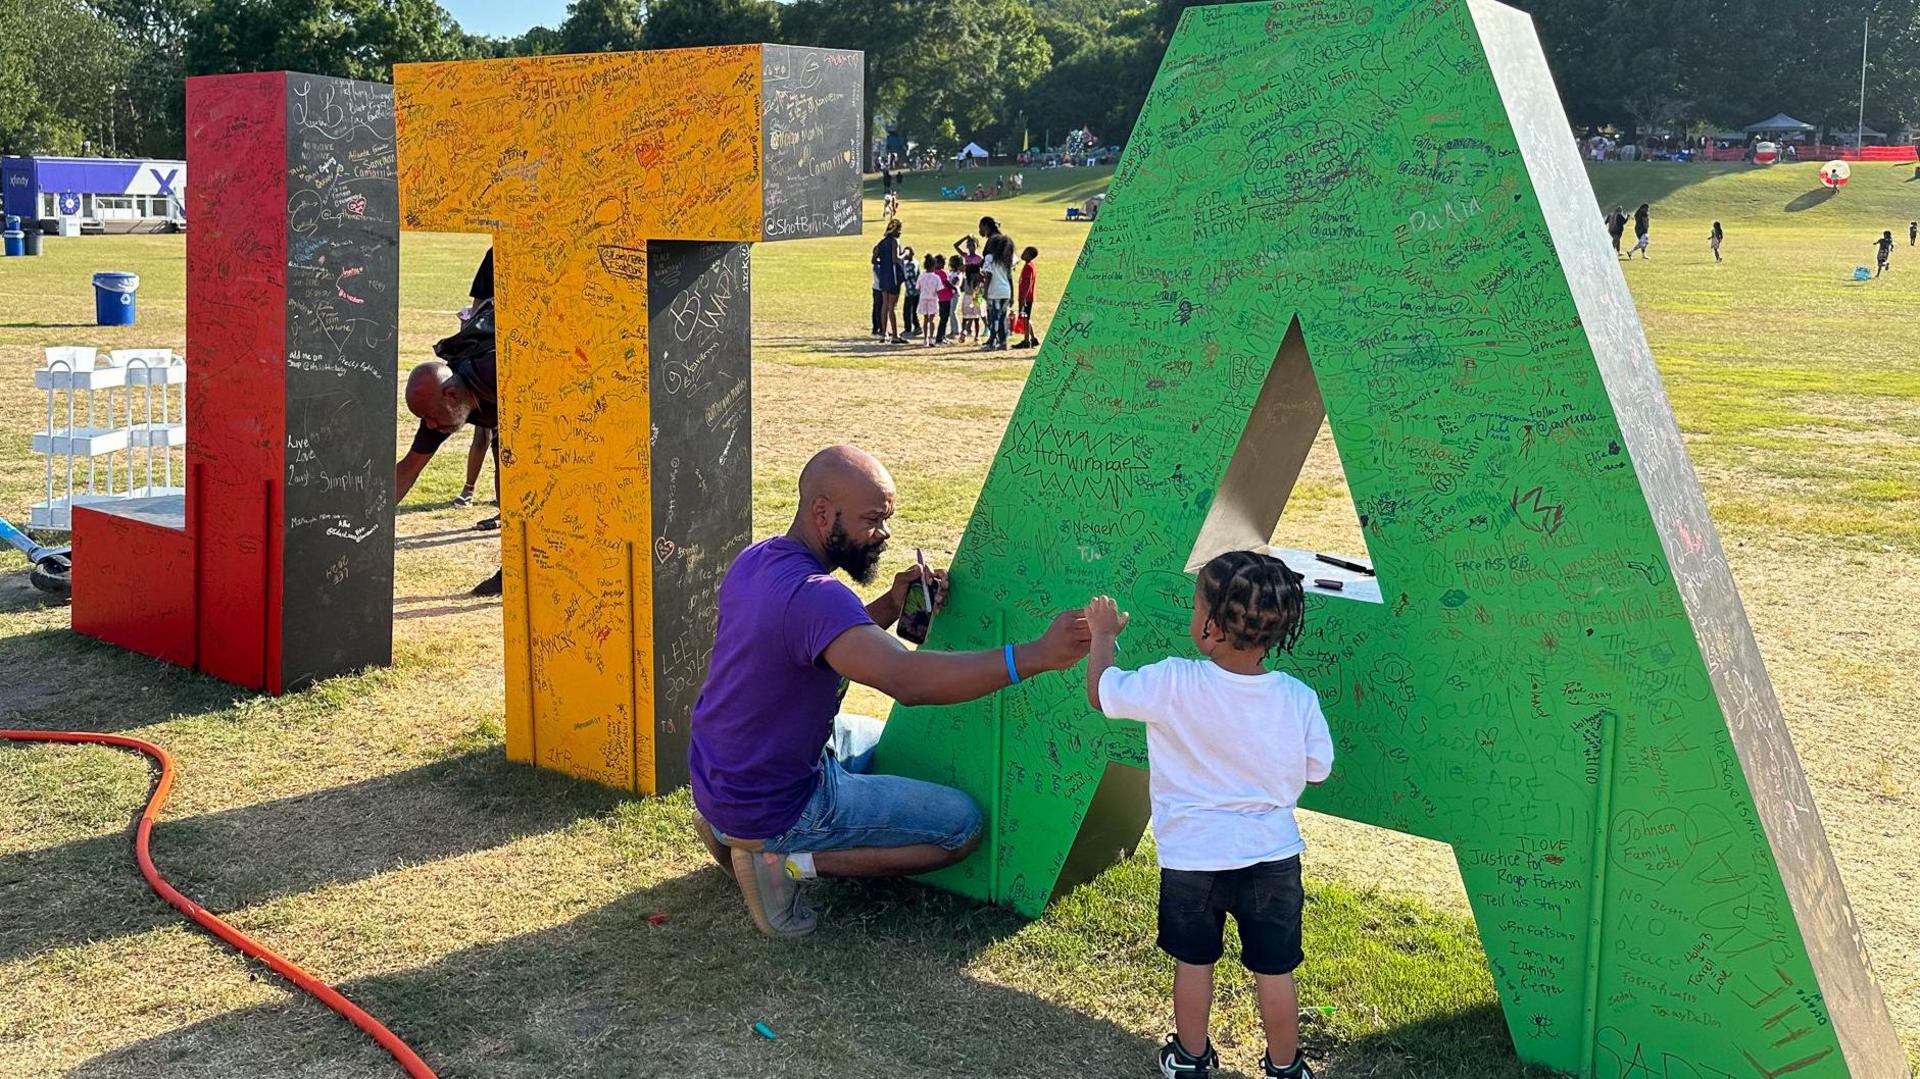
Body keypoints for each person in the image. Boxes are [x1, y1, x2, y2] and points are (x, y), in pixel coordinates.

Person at [688, 445, 1092, 937]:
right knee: (960, 828)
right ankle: (788, 861)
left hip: (721, 778)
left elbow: (823, 641)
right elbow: (908, 681)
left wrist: (893, 604)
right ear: (822, 512)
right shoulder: (819, 598)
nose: (883, 535)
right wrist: (1036, 656)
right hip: (779, 800)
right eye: (872, 520)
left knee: (888, 742)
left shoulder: (758, 561)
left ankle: (727, 832)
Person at [1085, 551, 1331, 1079]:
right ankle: (1287, 1067)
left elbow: (1102, 694)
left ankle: (1192, 1059)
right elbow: (1317, 770)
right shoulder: (1297, 697)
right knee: (1275, 969)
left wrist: (1103, 635)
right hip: (1273, 858)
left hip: (1192, 857)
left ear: (1211, 627)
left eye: (1196, 605)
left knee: (1194, 963)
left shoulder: (1173, 681)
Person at [395, 249, 504, 596]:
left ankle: (517, 568)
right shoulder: (442, 408)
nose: (429, 424)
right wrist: (364, 521)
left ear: (452, 394)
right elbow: (408, 469)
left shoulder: (496, 371)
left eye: (429, 416)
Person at [456, 248, 498, 509]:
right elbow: (477, 308)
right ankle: (469, 488)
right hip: (490, 360)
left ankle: (502, 498)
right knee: (484, 434)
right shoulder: (494, 255)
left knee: (498, 438)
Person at [979, 216, 1015, 351]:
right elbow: (1010, 276)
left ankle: (992, 342)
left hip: (994, 291)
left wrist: (986, 293)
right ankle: (1003, 342)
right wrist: (1012, 294)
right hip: (1006, 291)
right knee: (1002, 317)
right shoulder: (1005, 260)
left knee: (993, 317)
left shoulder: (989, 258)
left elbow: (988, 275)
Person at [873, 219, 906, 344]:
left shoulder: (881, 243)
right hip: (894, 277)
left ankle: (884, 333)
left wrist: (883, 264)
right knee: (892, 307)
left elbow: (874, 259)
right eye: (899, 230)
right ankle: (895, 336)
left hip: (884, 276)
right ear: (895, 230)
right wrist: (905, 254)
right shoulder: (895, 241)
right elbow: (896, 258)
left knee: (884, 306)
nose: (900, 233)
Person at [1013, 245, 1040, 349]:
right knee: (1026, 317)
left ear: (1030, 256)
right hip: (1027, 297)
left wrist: (1023, 298)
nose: (1023, 254)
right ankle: (1033, 339)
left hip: (1026, 297)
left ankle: (1026, 340)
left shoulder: (1029, 266)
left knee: (1025, 317)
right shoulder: (1030, 265)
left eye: (1025, 253)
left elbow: (1028, 283)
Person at [915, 253, 944, 347]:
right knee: (932, 320)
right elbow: (939, 289)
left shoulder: (921, 276)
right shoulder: (936, 277)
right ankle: (931, 338)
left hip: (923, 298)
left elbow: (918, 287)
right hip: (933, 299)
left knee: (925, 319)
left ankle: (925, 338)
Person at [937, 254, 960, 343]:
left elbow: (952, 282)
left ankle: (953, 331)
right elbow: (948, 283)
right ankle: (942, 335)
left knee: (949, 314)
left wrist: (953, 287)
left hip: (950, 296)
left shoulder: (956, 273)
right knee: (945, 316)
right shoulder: (945, 273)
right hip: (946, 296)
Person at [960, 267, 983, 342]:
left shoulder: (966, 279)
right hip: (976, 297)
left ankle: (963, 331)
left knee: (965, 318)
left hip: (967, 297)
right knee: (976, 319)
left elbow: (962, 288)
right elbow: (981, 290)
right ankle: (976, 336)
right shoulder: (979, 281)